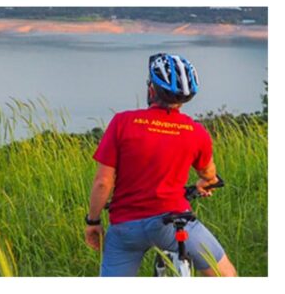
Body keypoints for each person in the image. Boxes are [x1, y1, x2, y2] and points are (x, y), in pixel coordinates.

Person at [85, 54, 237, 277]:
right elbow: (208, 172)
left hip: (126, 228)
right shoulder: (196, 132)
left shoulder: (122, 122)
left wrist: (93, 221)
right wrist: (208, 182)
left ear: (151, 90)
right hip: (174, 223)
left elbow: (102, 182)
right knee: (226, 275)